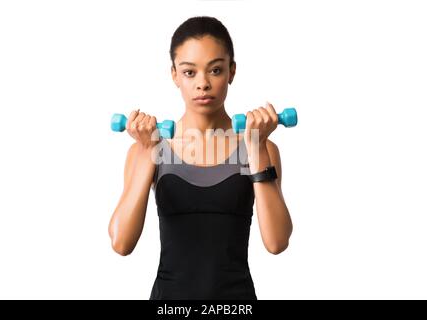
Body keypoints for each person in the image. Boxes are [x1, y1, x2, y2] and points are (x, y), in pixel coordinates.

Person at [108, 16, 293, 300]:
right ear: (174, 75)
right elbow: (121, 243)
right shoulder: (147, 147)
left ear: (231, 72)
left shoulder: (261, 148)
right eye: (190, 72)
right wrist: (148, 153)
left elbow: (277, 242)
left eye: (215, 70)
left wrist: (256, 147)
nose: (203, 84)